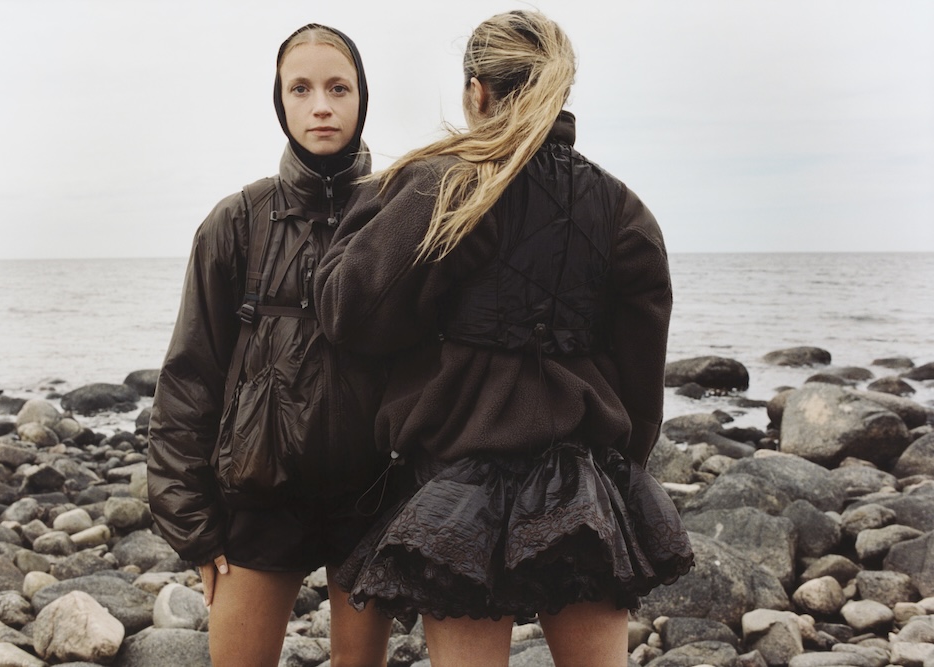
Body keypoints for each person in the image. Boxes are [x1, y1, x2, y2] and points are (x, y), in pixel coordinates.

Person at [314, 10, 694, 667]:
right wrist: (624, 470)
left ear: (475, 93)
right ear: (560, 91)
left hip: (457, 481)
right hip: (583, 479)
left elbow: (351, 311)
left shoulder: (444, 186)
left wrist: (373, 209)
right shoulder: (621, 209)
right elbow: (640, 385)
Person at [147, 24, 393, 667]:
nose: (321, 105)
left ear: (362, 97)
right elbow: (189, 378)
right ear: (279, 102)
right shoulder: (236, 222)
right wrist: (194, 531)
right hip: (258, 502)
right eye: (301, 88)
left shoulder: (400, 214)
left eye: (339, 88)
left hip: (371, 503)